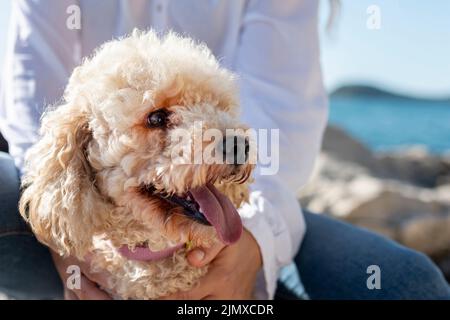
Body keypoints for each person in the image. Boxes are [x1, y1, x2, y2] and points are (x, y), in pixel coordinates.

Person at [0, 0, 449, 300]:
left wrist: (255, 241)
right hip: (77, 199)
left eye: (217, 109)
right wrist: (66, 253)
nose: (224, 137)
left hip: (254, 199)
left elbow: (283, 131)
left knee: (411, 285)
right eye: (159, 119)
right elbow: (30, 110)